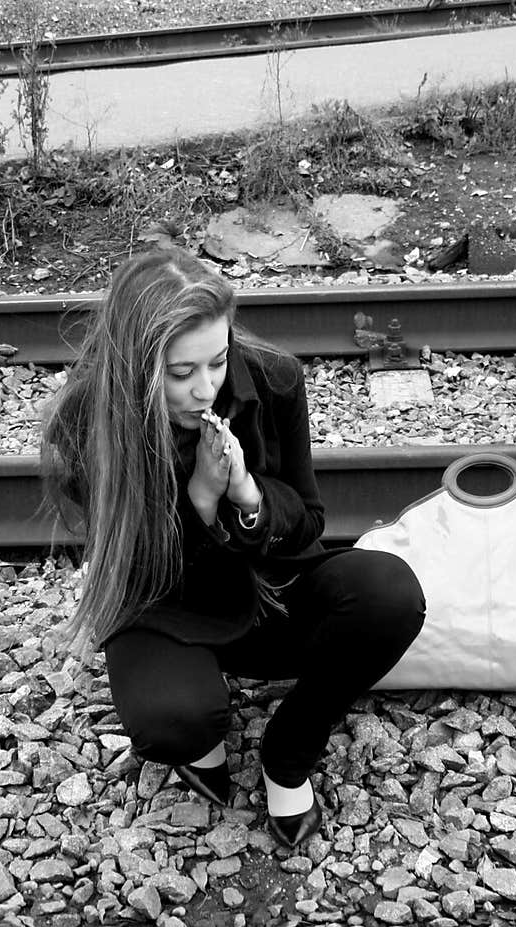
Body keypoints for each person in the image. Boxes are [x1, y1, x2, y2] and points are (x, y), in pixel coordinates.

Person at [41, 246, 425, 849]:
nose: (205, 390)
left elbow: (309, 521)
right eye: (180, 373)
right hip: (166, 607)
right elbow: (130, 569)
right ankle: (202, 732)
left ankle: (289, 750)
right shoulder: (89, 418)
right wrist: (198, 501)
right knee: (174, 721)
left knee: (389, 593)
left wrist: (247, 496)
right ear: (135, 366)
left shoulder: (275, 380)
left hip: (272, 593)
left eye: (216, 363)